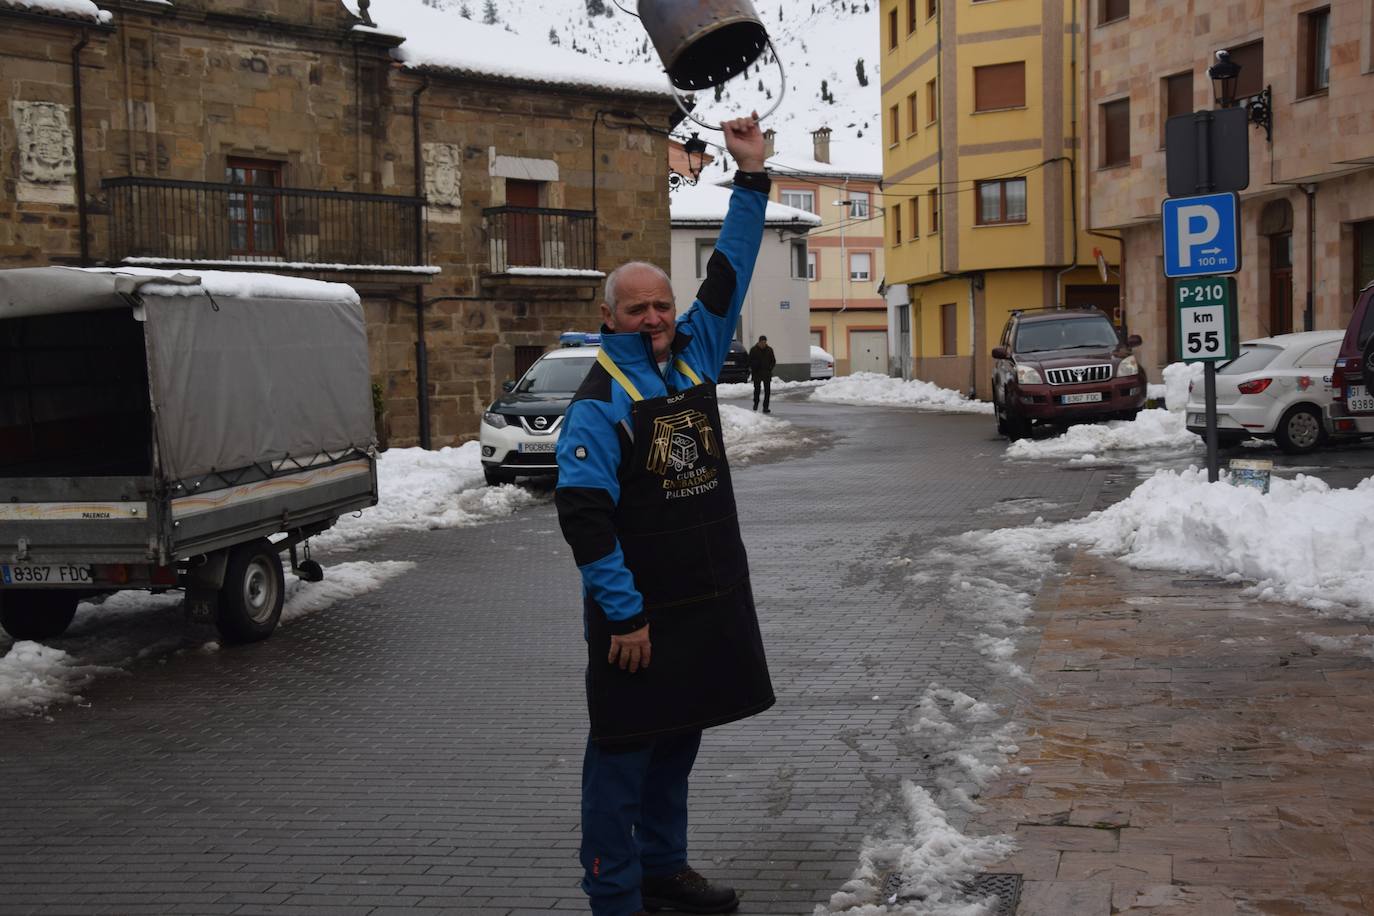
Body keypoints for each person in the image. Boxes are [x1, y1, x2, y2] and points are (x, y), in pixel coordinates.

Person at [554, 112, 775, 916]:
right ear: (609, 318)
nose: (654, 317)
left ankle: (664, 871)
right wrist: (624, 617)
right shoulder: (598, 401)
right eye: (637, 309)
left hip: (704, 598)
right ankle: (614, 895)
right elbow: (584, 520)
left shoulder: (696, 354)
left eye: (662, 305)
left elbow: (733, 270)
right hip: (636, 619)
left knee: (680, 738)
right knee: (620, 757)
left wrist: (751, 175)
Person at [748, 335, 775, 412]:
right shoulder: (753, 350)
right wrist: (754, 366)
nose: (763, 344)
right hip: (757, 373)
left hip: (766, 373)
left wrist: (770, 368)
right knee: (757, 390)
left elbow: (773, 361)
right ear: (759, 342)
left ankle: (765, 407)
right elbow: (749, 361)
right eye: (762, 342)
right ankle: (756, 403)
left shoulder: (769, 350)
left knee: (767, 391)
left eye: (765, 342)